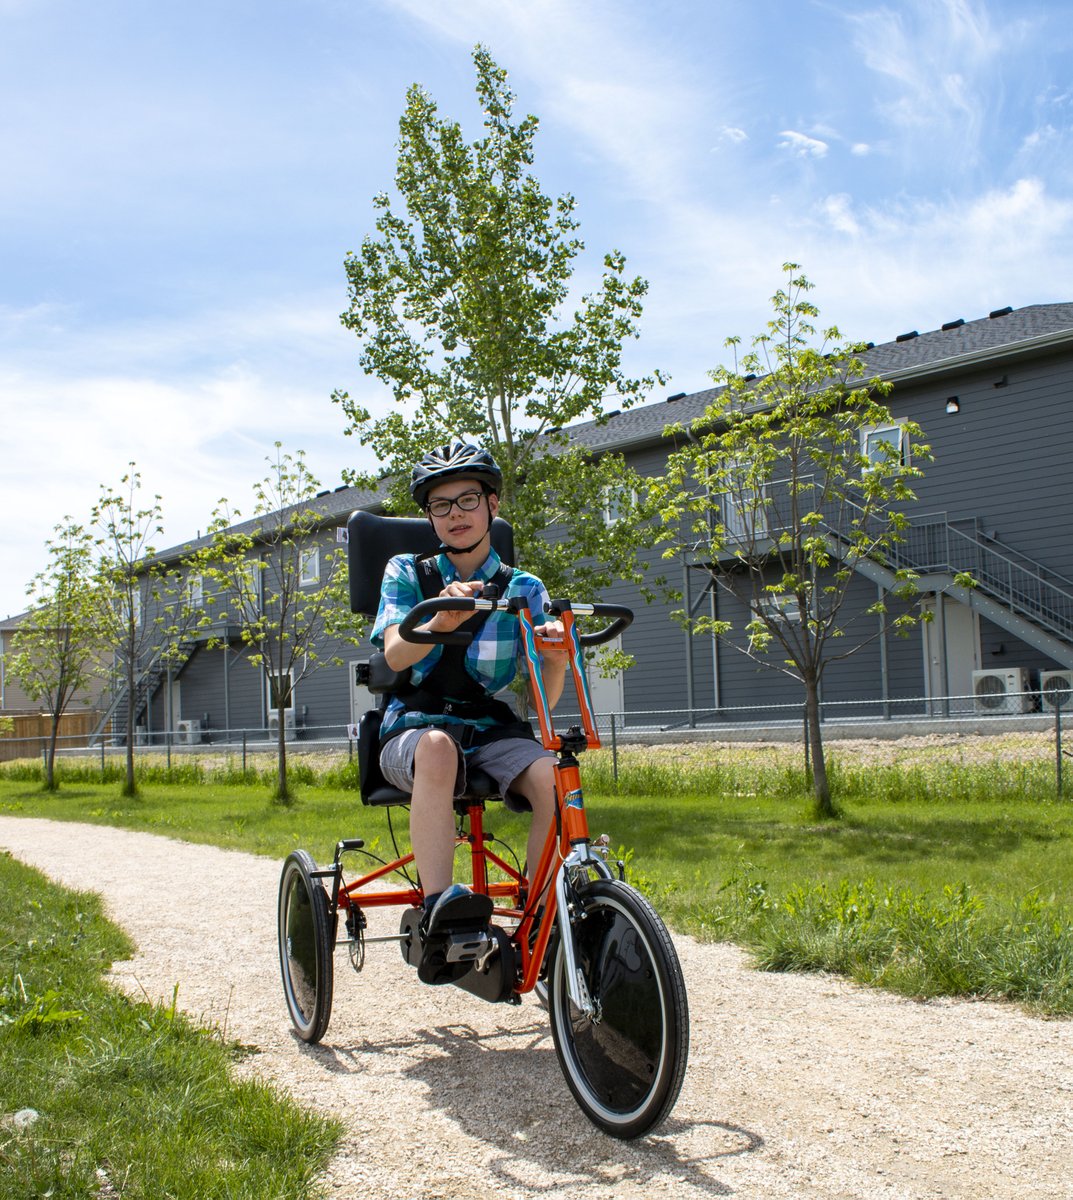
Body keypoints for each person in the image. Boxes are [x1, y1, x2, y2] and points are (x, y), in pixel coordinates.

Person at [371, 440, 568, 982]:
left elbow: (540, 703)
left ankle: (539, 919)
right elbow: (394, 654)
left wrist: (553, 660)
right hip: (413, 728)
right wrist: (438, 624)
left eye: (468, 500)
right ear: (428, 515)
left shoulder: (525, 589)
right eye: (441, 504)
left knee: (557, 777)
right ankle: (443, 916)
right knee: (437, 748)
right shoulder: (407, 573)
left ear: (493, 506)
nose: (455, 514)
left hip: (487, 727)